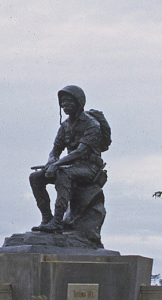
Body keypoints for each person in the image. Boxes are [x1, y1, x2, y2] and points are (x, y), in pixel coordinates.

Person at [30, 85, 106, 233]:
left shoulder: (92, 124)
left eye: (69, 101)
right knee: (35, 177)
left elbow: (80, 151)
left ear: (79, 102)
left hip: (89, 168)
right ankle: (47, 218)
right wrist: (51, 162)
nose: (65, 104)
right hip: (69, 166)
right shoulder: (65, 125)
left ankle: (58, 221)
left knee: (64, 174)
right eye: (63, 101)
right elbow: (55, 149)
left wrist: (57, 164)